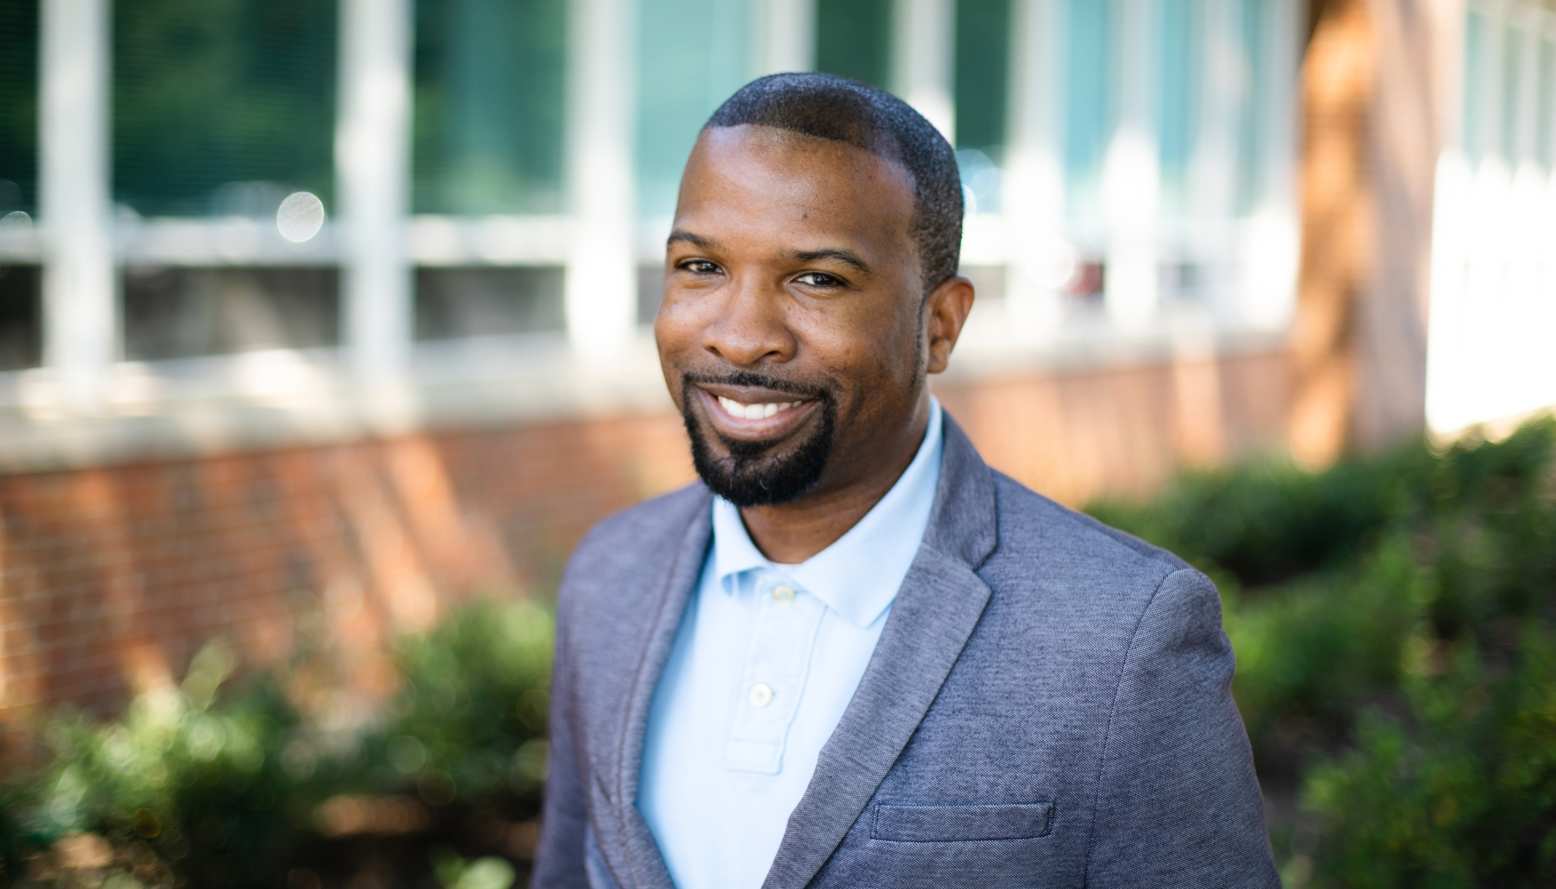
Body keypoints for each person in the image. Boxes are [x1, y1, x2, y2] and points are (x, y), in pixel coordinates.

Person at [532, 73, 1279, 889]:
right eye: (701, 265)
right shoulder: (609, 576)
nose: (741, 337)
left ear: (941, 324)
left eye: (817, 278)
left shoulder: (1122, 639)